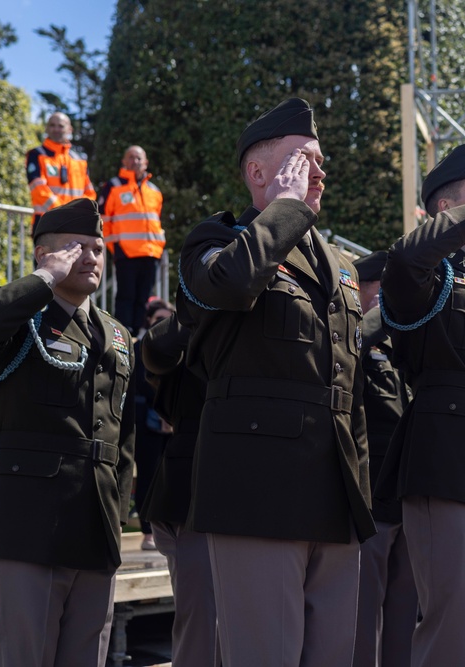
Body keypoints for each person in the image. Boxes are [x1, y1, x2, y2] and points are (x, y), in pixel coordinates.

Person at [178, 98, 375, 667]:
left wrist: (357, 484)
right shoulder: (215, 241)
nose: (319, 171)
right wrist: (285, 208)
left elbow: (348, 379)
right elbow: (231, 285)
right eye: (302, 159)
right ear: (257, 173)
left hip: (334, 489)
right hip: (256, 492)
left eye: (321, 159)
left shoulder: (340, 264)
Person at [0, 198, 135, 667]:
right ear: (45, 255)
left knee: (87, 656)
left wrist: (120, 507)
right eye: (76, 247)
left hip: (95, 521)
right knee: (24, 656)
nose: (91, 256)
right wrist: (45, 281)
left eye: (98, 248)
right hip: (27, 523)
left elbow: (122, 431)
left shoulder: (116, 334)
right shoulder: (20, 320)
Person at [376, 143, 465, 667]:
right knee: (452, 623)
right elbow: (403, 262)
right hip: (448, 459)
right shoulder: (427, 269)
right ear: (447, 210)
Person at [139, 310, 219, 667]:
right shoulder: (191, 332)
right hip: (192, 498)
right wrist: (207, 300)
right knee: (204, 628)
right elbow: (155, 349)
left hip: (248, 495)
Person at [351, 250, 418, 667]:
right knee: (363, 615)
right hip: (370, 500)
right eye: (382, 288)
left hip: (405, 497)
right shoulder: (353, 336)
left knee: (404, 614)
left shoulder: (401, 343)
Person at [98, 146, 166, 333]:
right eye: (130, 157)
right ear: (123, 161)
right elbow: (104, 220)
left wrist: (158, 248)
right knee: (126, 297)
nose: (135, 161)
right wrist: (115, 247)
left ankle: (140, 336)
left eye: (138, 158)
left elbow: (156, 220)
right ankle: (122, 335)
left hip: (151, 252)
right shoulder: (113, 186)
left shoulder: (154, 190)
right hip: (126, 252)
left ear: (145, 162)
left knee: (144, 297)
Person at [131, 298, 176, 551]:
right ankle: (148, 531)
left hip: (171, 422)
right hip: (147, 422)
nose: (162, 323)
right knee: (147, 476)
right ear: (149, 321)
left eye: (167, 318)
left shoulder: (179, 345)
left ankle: (167, 528)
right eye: (158, 319)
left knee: (170, 476)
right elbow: (141, 381)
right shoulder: (141, 346)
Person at [26, 112, 96, 226]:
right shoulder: (36, 155)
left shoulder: (80, 160)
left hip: (75, 223)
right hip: (46, 222)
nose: (56, 129)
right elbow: (38, 189)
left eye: (61, 126)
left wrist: (78, 213)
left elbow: (89, 193)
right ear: (46, 129)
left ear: (70, 129)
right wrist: (62, 212)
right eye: (52, 125)